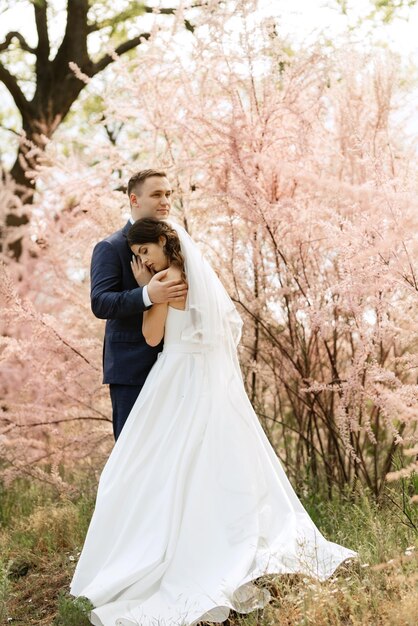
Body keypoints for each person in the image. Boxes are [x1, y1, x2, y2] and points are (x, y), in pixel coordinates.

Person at [70, 217, 357, 626]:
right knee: (216, 464)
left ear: (162, 244)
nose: (142, 260)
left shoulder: (164, 282)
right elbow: (220, 331)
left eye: (144, 252)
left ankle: (177, 555)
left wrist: (145, 293)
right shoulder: (198, 275)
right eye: (136, 255)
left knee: (151, 468)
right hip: (207, 381)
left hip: (175, 380)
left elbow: (152, 338)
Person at [90, 169, 187, 440]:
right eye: (157, 194)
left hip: (178, 367)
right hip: (132, 370)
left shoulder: (179, 243)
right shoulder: (111, 247)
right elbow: (100, 302)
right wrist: (148, 295)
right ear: (134, 200)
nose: (165, 201)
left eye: (168, 194)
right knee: (132, 456)